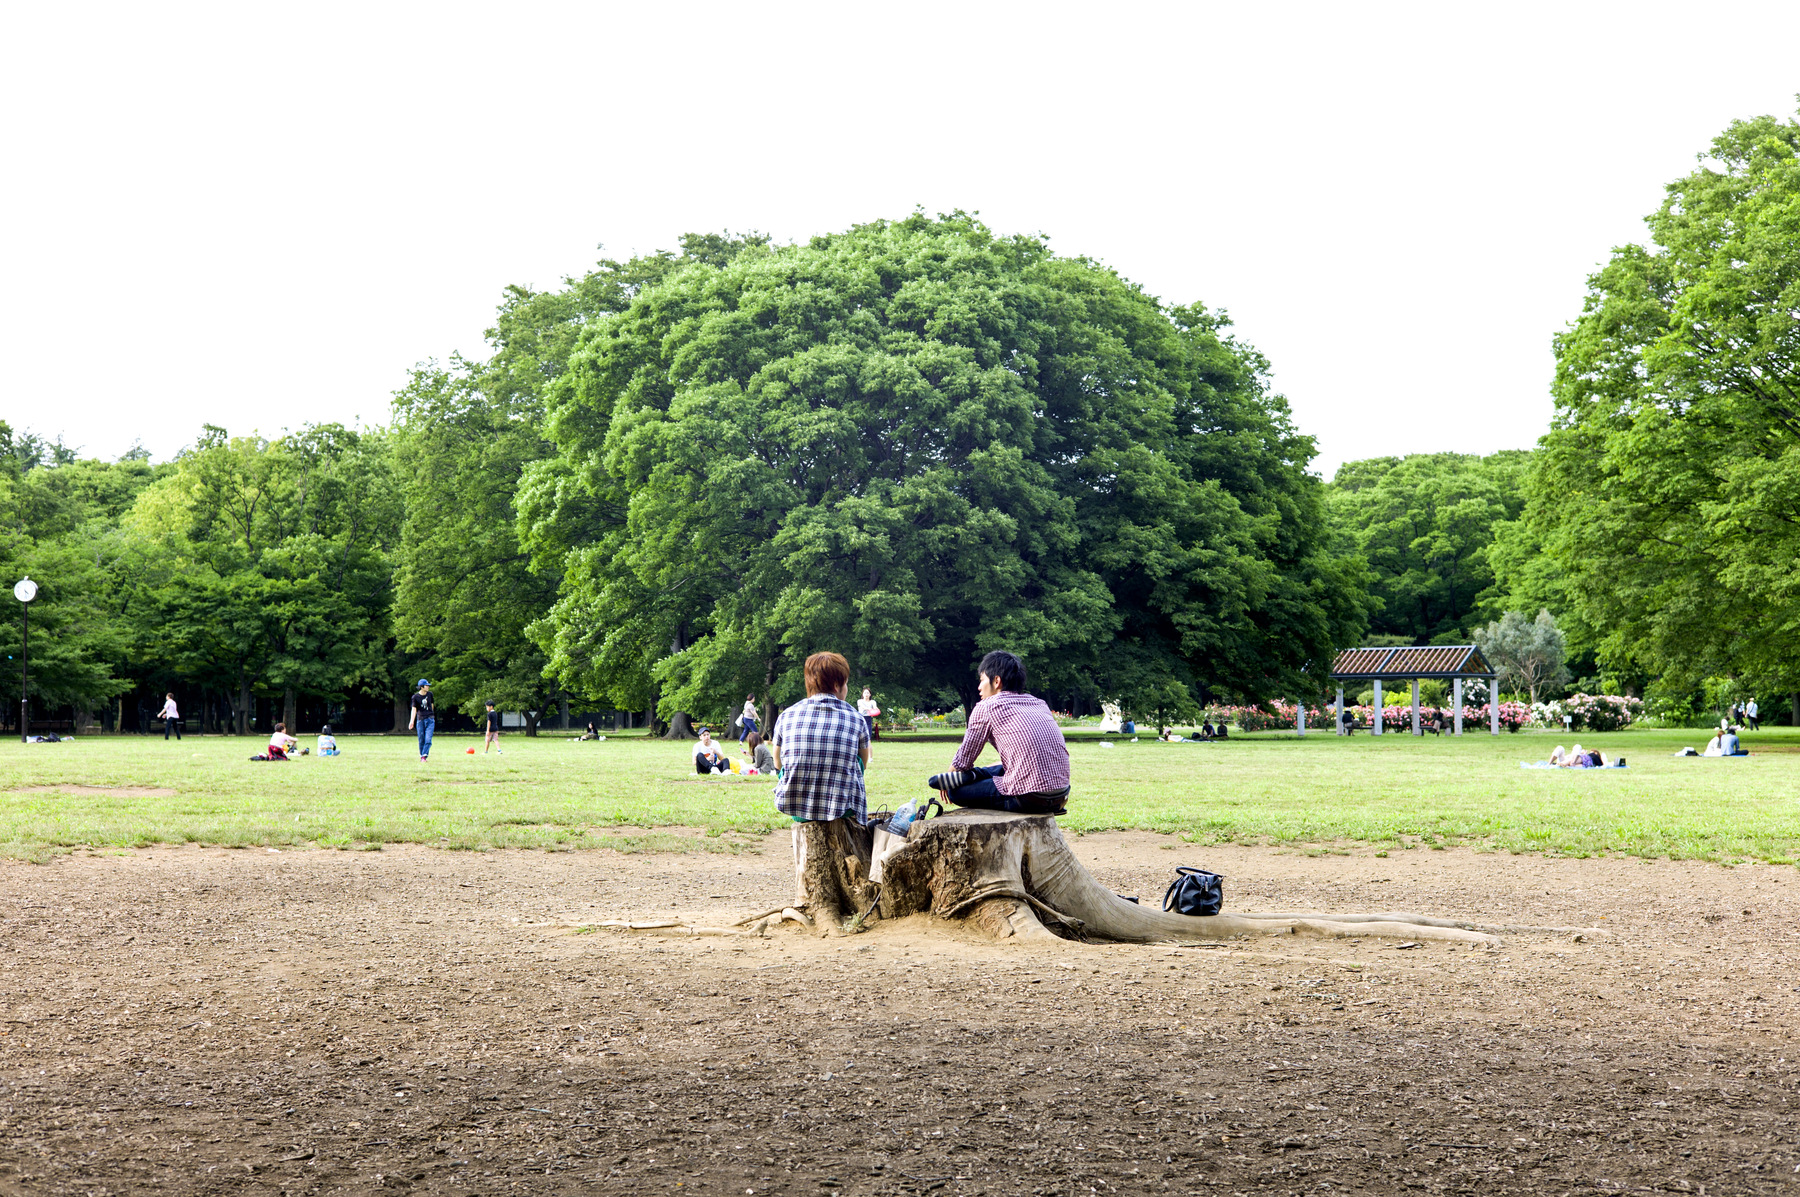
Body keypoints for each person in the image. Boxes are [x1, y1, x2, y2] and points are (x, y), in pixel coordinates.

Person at [927, 650, 1071, 814]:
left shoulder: (987, 706)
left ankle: (972, 776)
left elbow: (964, 759)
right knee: (1005, 767)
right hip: (1061, 795)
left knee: (956, 792)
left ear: (996, 681)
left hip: (1029, 797)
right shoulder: (1039, 703)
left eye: (982, 680)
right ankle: (975, 775)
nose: (979, 687)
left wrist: (949, 781)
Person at [771, 651, 869, 822]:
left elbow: (777, 762)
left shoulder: (787, 715)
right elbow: (864, 764)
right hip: (843, 809)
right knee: (857, 761)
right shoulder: (856, 718)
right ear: (837, 685)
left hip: (797, 809)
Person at [408, 679, 435, 763]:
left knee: (428, 739)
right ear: (422, 687)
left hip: (430, 720)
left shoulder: (430, 694)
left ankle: (424, 756)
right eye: (427, 685)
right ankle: (422, 755)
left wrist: (431, 714)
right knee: (421, 739)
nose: (428, 687)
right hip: (420, 720)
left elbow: (432, 705)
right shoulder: (415, 697)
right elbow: (414, 709)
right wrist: (411, 721)